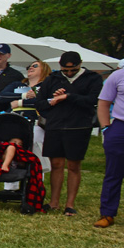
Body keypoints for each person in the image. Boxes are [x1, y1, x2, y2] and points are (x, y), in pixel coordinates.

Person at [36, 52, 103, 215]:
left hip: (79, 127)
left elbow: (93, 100)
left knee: (74, 165)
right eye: (66, 70)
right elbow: (40, 103)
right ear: (60, 66)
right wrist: (53, 100)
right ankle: (54, 202)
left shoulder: (92, 78)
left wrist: (69, 96)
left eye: (73, 70)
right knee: (56, 164)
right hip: (55, 126)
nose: (69, 73)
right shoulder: (52, 79)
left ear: (80, 64)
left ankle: (70, 204)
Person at [0, 60, 51, 171]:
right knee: (11, 151)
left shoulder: (46, 86)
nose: (30, 68)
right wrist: (24, 95)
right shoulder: (17, 84)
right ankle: (10, 184)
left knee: (35, 155)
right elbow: (2, 96)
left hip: (35, 124)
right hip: (14, 123)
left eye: (35, 66)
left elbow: (46, 102)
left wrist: (19, 102)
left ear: (44, 70)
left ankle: (35, 183)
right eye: (29, 66)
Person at [0, 136, 46, 213]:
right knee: (11, 148)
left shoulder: (19, 155)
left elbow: (25, 162)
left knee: (14, 149)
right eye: (15, 142)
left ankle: (6, 165)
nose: (17, 145)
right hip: (0, 162)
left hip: (14, 168)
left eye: (20, 144)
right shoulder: (7, 148)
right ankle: (5, 165)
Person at [95, 60, 124, 227]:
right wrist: (106, 128)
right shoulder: (117, 76)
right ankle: (107, 214)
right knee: (114, 172)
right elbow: (104, 103)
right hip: (119, 127)